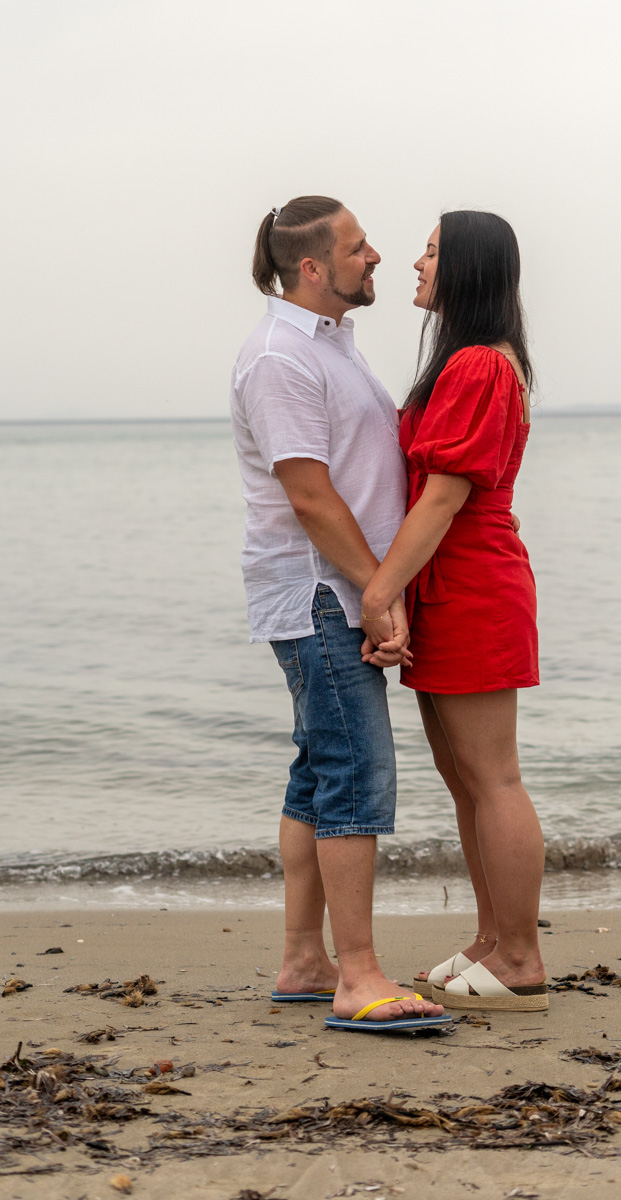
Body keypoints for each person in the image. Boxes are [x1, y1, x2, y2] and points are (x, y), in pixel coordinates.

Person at [229, 196, 447, 1031]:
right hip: (321, 590)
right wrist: (375, 593)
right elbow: (312, 498)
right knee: (355, 775)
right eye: (359, 249)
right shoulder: (281, 358)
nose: (378, 257)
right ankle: (357, 977)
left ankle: (303, 960)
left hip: (335, 588)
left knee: (317, 773)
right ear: (311, 268)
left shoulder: (332, 346)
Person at [360, 210, 547, 1012]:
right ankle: (492, 939)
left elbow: (443, 497)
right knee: (466, 781)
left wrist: (380, 590)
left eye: (432, 251)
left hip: (471, 583)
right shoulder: (467, 362)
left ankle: (524, 958)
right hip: (446, 582)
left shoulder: (480, 366)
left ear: (466, 267)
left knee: (494, 777)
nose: (416, 263)